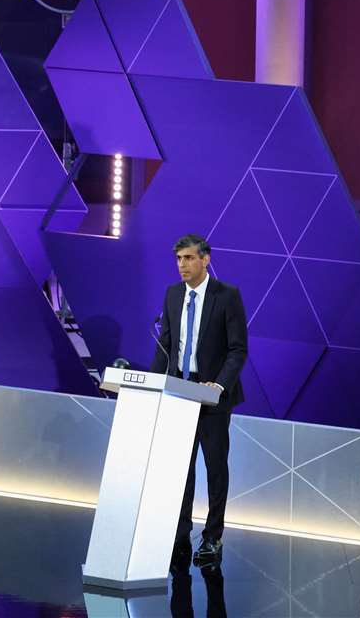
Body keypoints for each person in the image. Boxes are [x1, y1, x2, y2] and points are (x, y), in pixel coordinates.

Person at [152, 234, 248, 569]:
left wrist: (219, 385)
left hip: (213, 398)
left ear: (206, 259)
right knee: (181, 469)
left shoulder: (227, 296)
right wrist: (155, 386)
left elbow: (238, 350)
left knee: (215, 469)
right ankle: (180, 533)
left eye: (189, 258)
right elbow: (165, 346)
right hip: (180, 392)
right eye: (179, 259)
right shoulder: (172, 294)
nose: (182, 265)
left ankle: (213, 537)